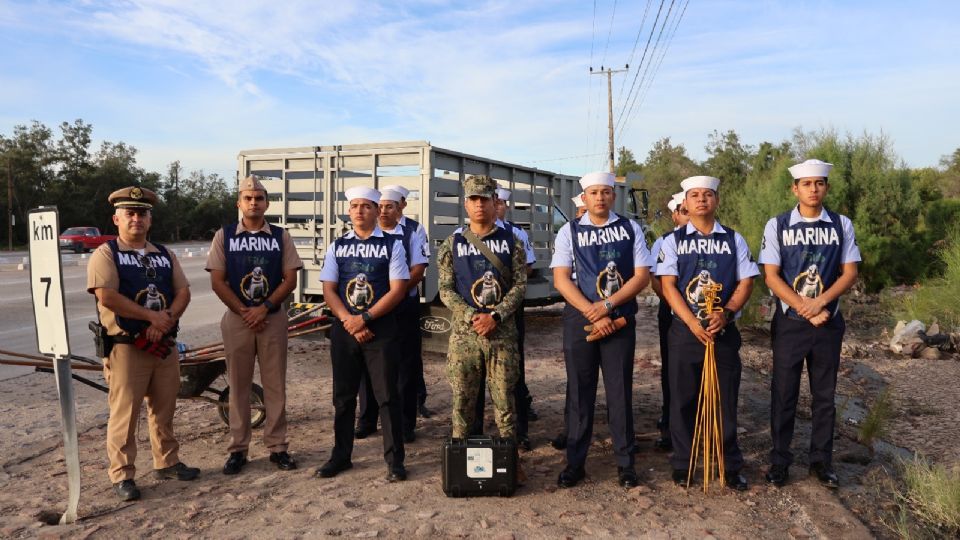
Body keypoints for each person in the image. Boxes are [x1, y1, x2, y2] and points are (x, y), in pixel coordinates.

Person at [87, 186, 199, 501]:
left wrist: (165, 319)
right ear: (117, 219)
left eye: (142, 214)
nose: (136, 219)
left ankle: (167, 462)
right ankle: (122, 475)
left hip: (162, 344)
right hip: (126, 347)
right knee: (125, 414)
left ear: (149, 220)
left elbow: (183, 292)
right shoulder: (106, 253)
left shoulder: (164, 254)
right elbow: (106, 296)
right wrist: (151, 319)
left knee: (164, 409)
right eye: (130, 214)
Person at [759, 159, 860, 489]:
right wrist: (805, 306)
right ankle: (779, 461)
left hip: (828, 321)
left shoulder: (841, 224)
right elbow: (771, 276)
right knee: (784, 394)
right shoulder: (777, 225)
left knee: (824, 396)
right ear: (795, 188)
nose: (813, 189)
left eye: (819, 184)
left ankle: (821, 461)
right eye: (806, 184)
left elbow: (850, 273)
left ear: (826, 188)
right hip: (791, 322)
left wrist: (820, 303)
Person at [550, 171, 651, 489]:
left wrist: (607, 307)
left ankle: (625, 463)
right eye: (594, 192)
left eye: (606, 192)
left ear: (612, 196)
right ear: (585, 197)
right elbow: (562, 278)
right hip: (580, 318)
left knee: (619, 392)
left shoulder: (629, 228)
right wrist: (590, 310)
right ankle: (575, 463)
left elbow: (641, 276)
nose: (600, 197)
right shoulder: (570, 231)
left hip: (618, 317)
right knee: (580, 392)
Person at [656, 175, 758, 491]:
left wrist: (726, 314)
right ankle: (683, 462)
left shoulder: (733, 239)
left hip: (722, 331)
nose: (701, 200)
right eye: (695, 195)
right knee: (683, 399)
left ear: (716, 200)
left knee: (724, 401)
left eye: (708, 194)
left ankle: (729, 463)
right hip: (686, 332)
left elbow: (746, 281)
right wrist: (690, 322)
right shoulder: (673, 241)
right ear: (684, 202)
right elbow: (668, 285)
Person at [206, 175, 302, 475]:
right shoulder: (224, 236)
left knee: (275, 386)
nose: (254, 202)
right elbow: (217, 281)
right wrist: (245, 310)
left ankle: (277, 446)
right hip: (238, 319)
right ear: (239, 203)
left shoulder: (280, 236)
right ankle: (238, 448)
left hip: (271, 318)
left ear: (267, 203)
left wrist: (265, 308)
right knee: (239, 386)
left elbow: (290, 278)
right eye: (248, 198)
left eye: (259, 198)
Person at [317, 186, 410, 482]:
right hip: (345, 330)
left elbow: (398, 290)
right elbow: (328, 289)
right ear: (348, 211)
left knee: (386, 396)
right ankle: (341, 456)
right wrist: (349, 320)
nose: (360, 211)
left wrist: (366, 318)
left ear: (376, 210)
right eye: (355, 206)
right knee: (343, 397)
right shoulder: (337, 246)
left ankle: (395, 461)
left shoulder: (393, 245)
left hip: (380, 329)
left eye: (367, 206)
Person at [436, 175, 527, 452]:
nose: (479, 205)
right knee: (462, 400)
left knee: (504, 401)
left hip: (502, 334)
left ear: (495, 202)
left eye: (484, 199)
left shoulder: (512, 242)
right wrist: (471, 316)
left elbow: (520, 285)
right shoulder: (452, 244)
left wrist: (495, 316)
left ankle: (511, 460)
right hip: (466, 336)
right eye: (473, 200)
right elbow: (445, 289)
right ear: (466, 204)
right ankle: (460, 458)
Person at [354, 186, 430, 443]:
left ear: (400, 208)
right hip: (371, 312)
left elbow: (418, 270)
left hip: (402, 309)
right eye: (381, 206)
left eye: (390, 206)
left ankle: (406, 424)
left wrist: (394, 296)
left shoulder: (410, 234)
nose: (384, 211)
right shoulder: (362, 236)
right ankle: (366, 419)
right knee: (367, 366)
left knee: (405, 368)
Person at [468, 187, 537, 449]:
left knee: (512, 372)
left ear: (503, 205)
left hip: (507, 313)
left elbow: (527, 268)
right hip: (474, 315)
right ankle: (474, 432)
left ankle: (519, 432)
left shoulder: (516, 234)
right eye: (484, 201)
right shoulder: (462, 236)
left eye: (497, 203)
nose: (493, 207)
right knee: (473, 374)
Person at [648, 192, 689, 451]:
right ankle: (670, 424)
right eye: (684, 211)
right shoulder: (664, 242)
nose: (689, 214)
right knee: (672, 369)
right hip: (672, 313)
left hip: (707, 315)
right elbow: (654, 278)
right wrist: (677, 305)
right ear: (675, 215)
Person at [551, 191, 590, 451]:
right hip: (577, 306)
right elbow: (562, 276)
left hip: (608, 308)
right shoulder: (569, 232)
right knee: (577, 379)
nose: (584, 216)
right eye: (580, 212)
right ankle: (571, 430)